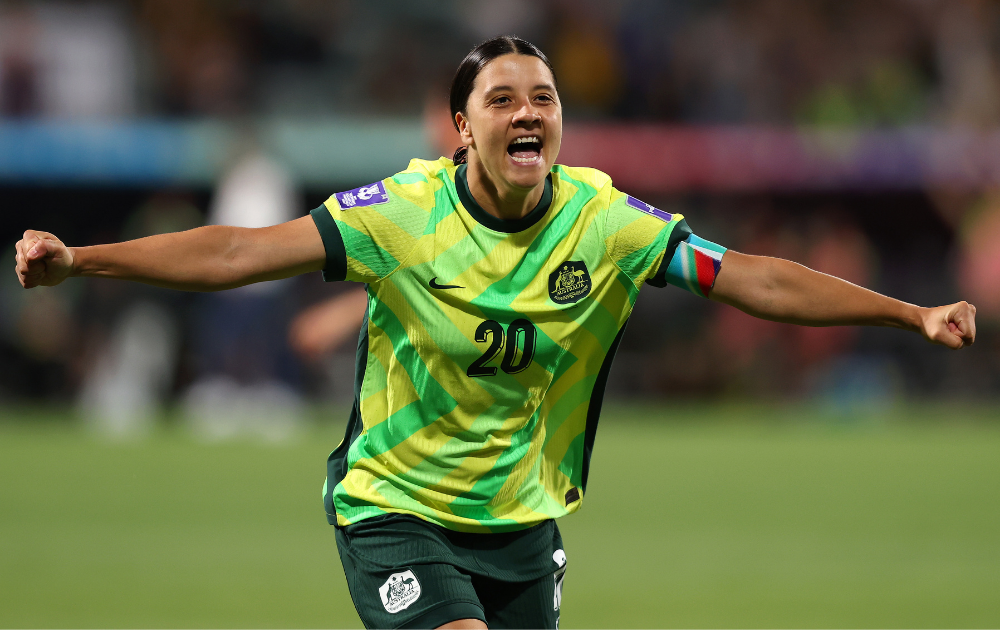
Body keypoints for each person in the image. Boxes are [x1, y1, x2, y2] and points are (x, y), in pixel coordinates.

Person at [15, 36, 976, 630]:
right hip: (395, 508)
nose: (528, 113)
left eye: (545, 99)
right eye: (504, 100)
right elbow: (237, 253)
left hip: (521, 522)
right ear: (461, 130)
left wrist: (907, 312)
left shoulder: (605, 224)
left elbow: (751, 277)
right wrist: (84, 260)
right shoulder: (402, 211)